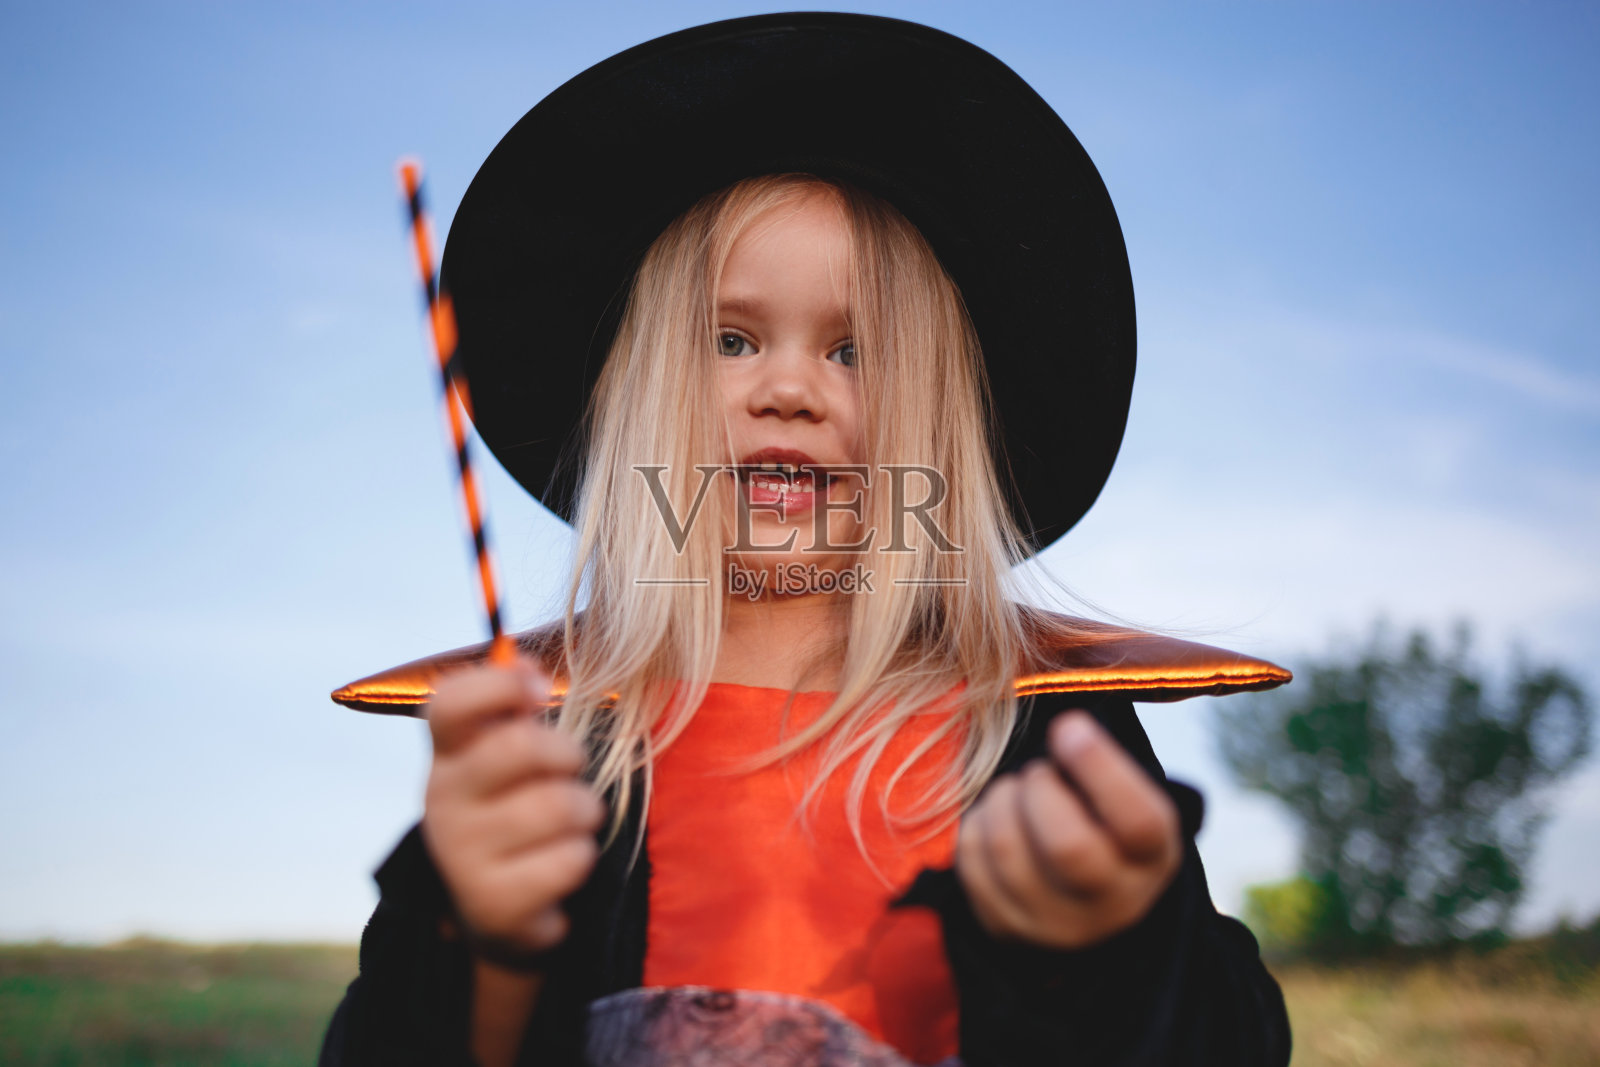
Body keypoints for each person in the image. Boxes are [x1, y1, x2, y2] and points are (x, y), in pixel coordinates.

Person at [320, 14, 1294, 1067]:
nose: (788, 388)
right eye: (732, 338)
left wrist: (1116, 951)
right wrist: (482, 949)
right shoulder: (550, 743)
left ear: (935, 425)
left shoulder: (1040, 725)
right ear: (641, 398)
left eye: (854, 350)